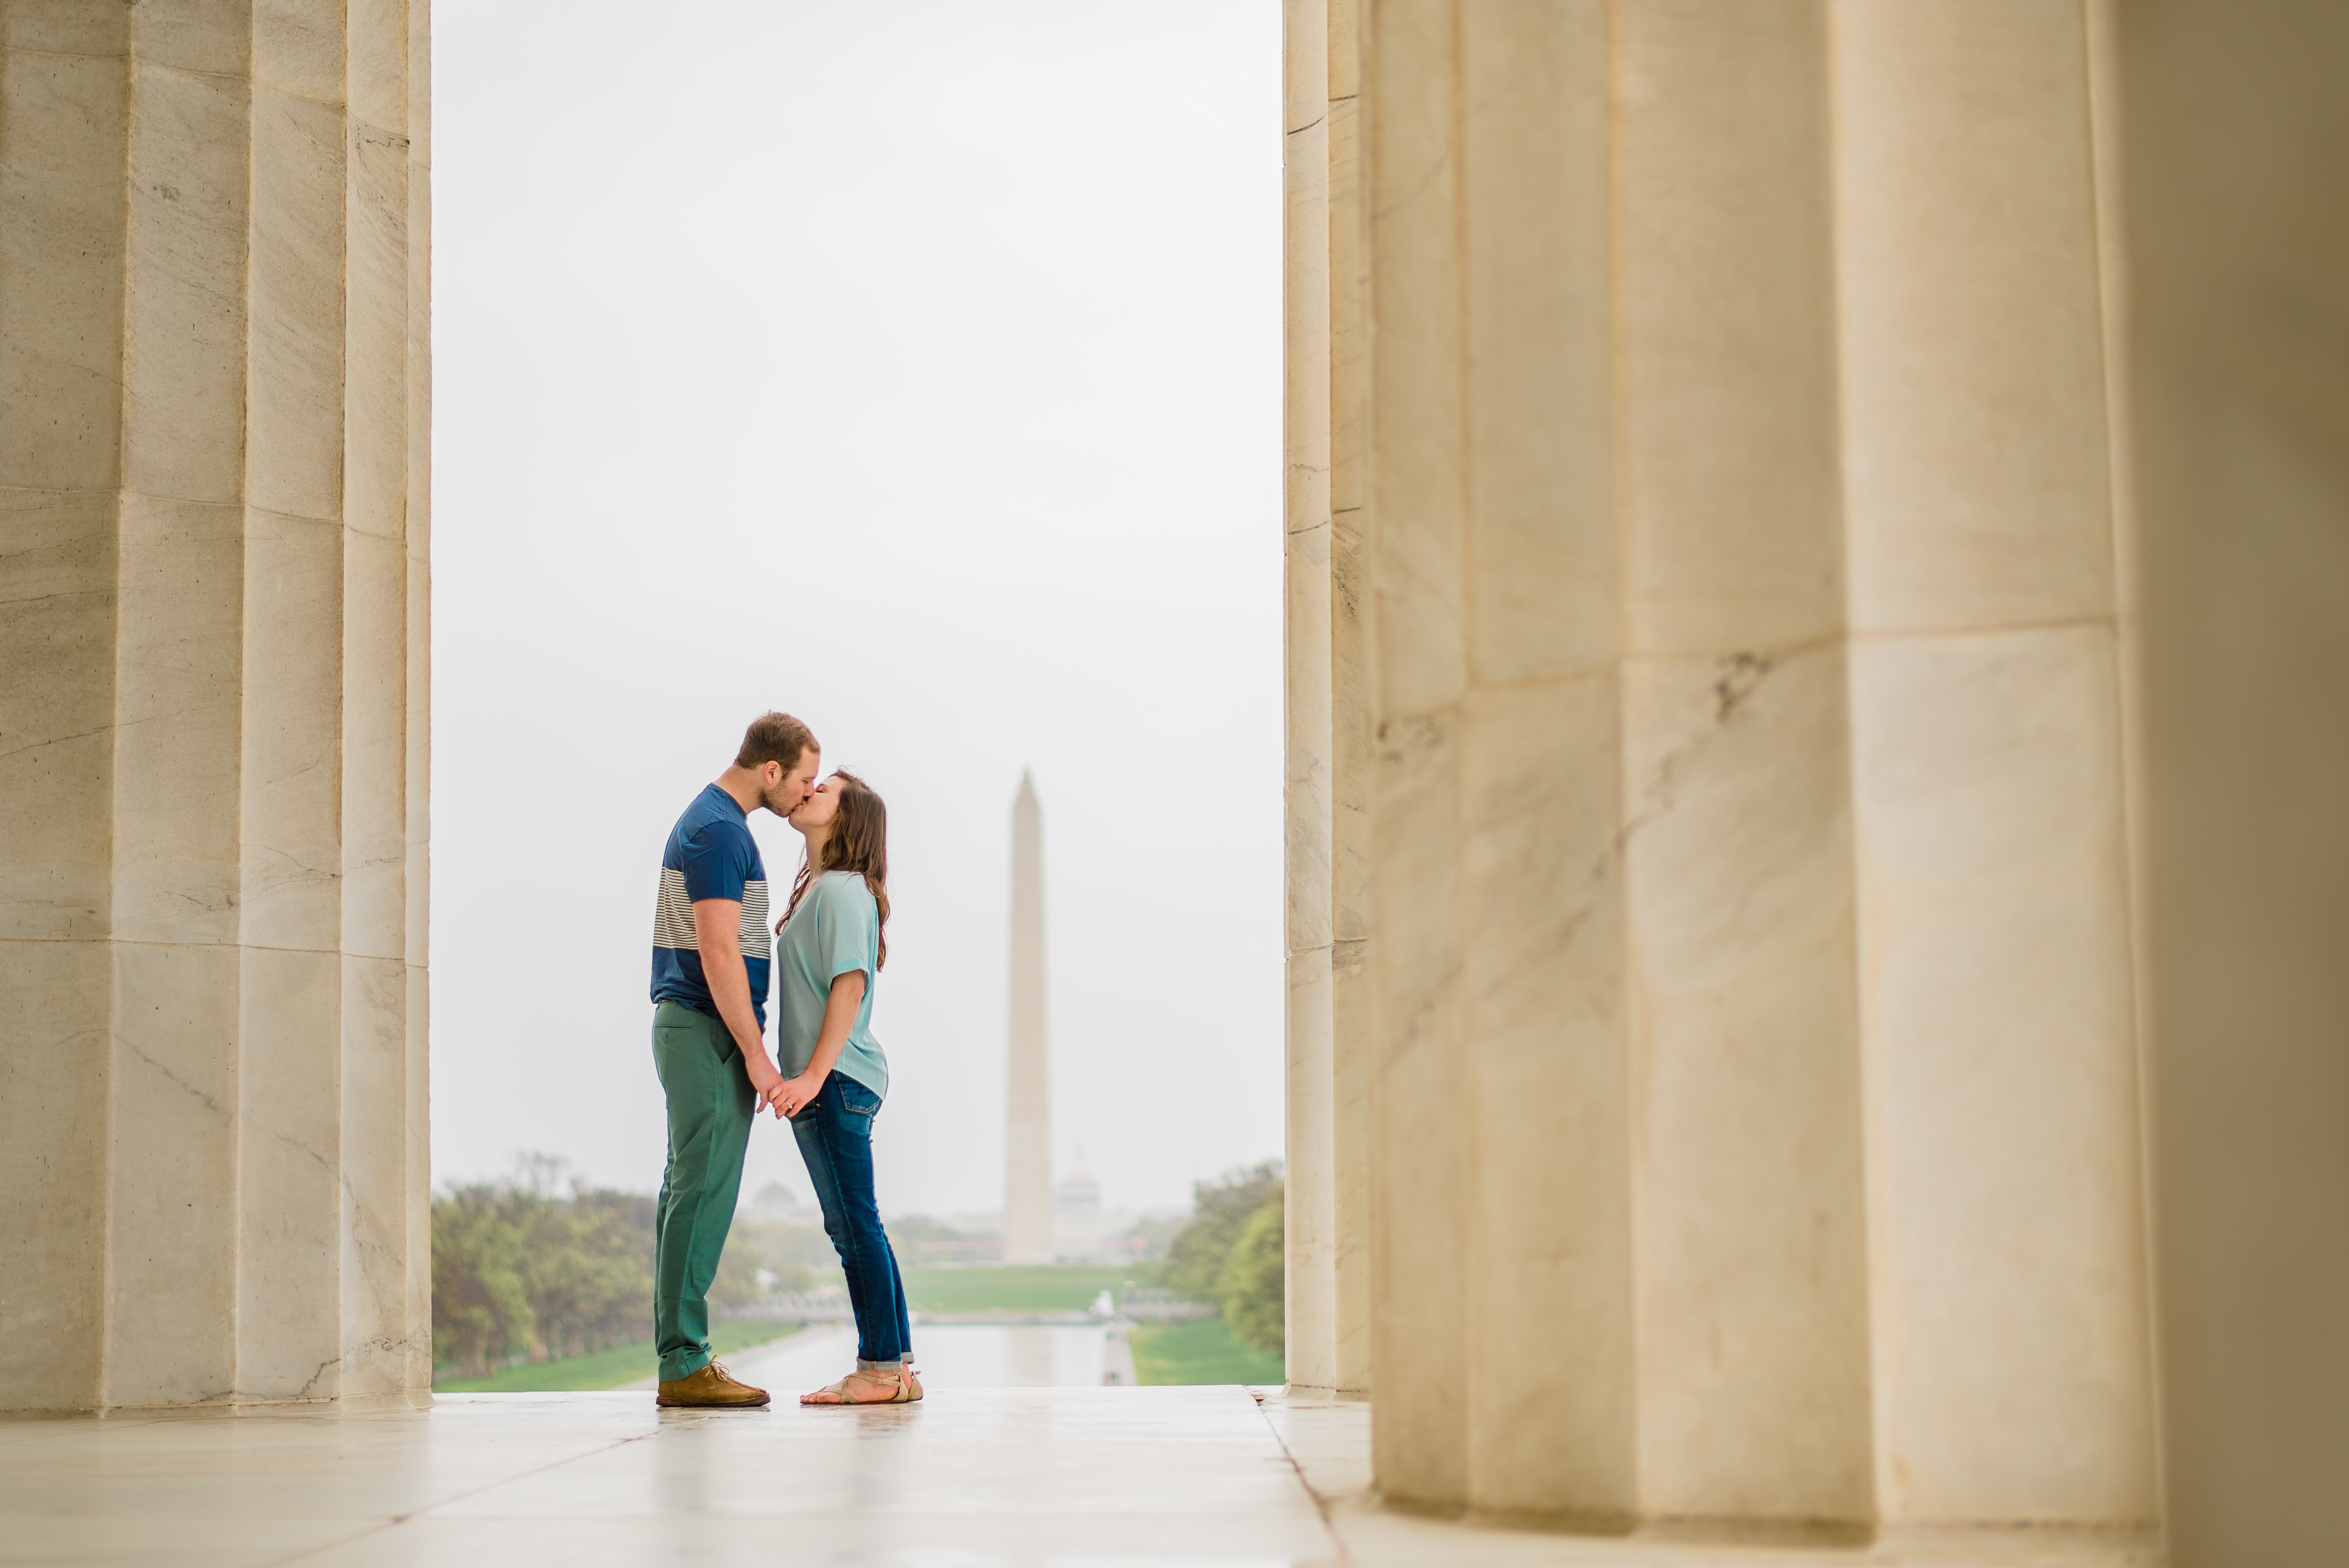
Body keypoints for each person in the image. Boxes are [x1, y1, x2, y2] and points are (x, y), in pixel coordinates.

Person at [647, 712, 817, 1409]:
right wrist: (756, 1055)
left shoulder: (714, 821)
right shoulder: (720, 831)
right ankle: (685, 1362)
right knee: (702, 1192)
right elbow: (718, 951)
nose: (805, 796)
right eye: (803, 780)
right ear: (769, 770)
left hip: (695, 1026)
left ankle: (683, 1355)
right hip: (705, 1028)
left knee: (690, 1189)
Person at [770, 769, 920, 1404]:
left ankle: (882, 1371)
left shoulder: (840, 892)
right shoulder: (824, 891)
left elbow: (849, 986)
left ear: (847, 820)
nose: (808, 792)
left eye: (823, 791)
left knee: (854, 1227)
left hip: (834, 1078)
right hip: (835, 1078)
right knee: (858, 1225)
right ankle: (894, 1368)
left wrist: (809, 1075)